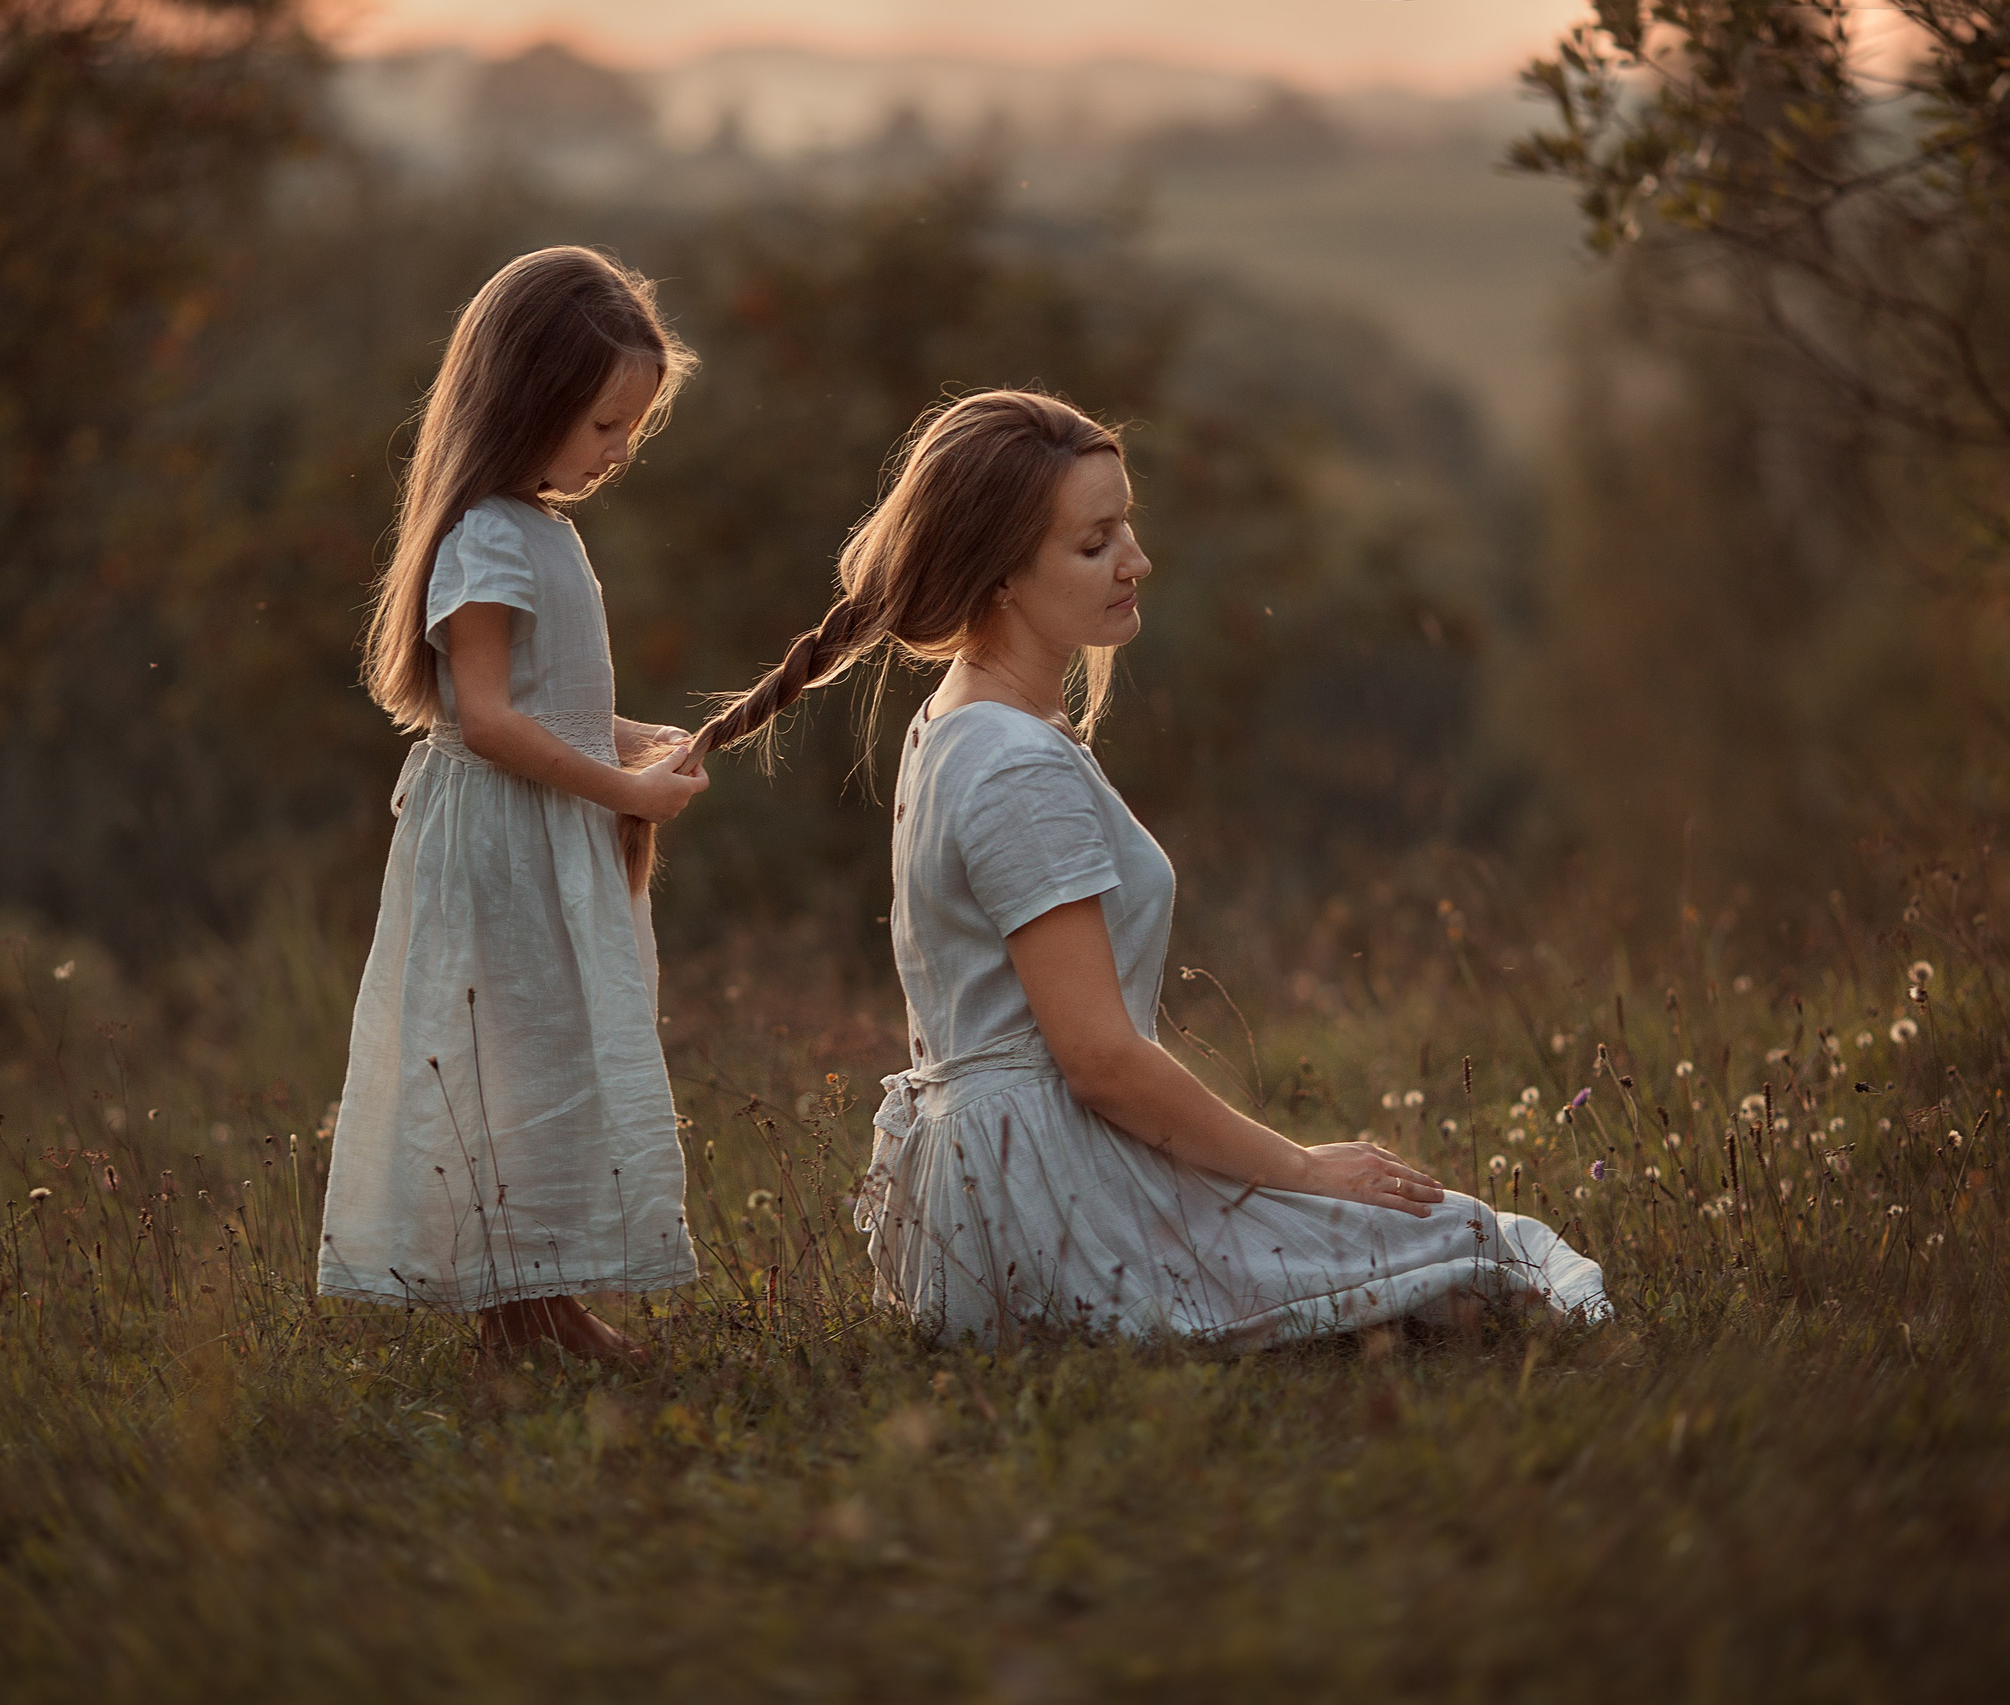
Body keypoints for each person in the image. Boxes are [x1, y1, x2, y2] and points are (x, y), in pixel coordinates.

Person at [681, 390, 1609, 1344]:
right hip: (1052, 1201)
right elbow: (1100, 1062)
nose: (1136, 561)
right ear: (1000, 576)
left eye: (1125, 525)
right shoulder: (1010, 764)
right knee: (1469, 1249)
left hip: (1002, 1185)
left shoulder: (960, 722)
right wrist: (1297, 1167)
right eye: (1094, 544)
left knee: (1461, 1238)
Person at [317, 248, 708, 1362]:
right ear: (525, 401)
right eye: (603, 427)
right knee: (511, 1057)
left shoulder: (541, 528)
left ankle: (538, 1298)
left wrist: (643, 739)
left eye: (632, 429)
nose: (620, 452)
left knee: (554, 1051)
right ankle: (518, 1312)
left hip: (548, 829)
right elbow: (483, 718)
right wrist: (623, 786)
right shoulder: (486, 534)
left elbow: (558, 704)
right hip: (500, 839)